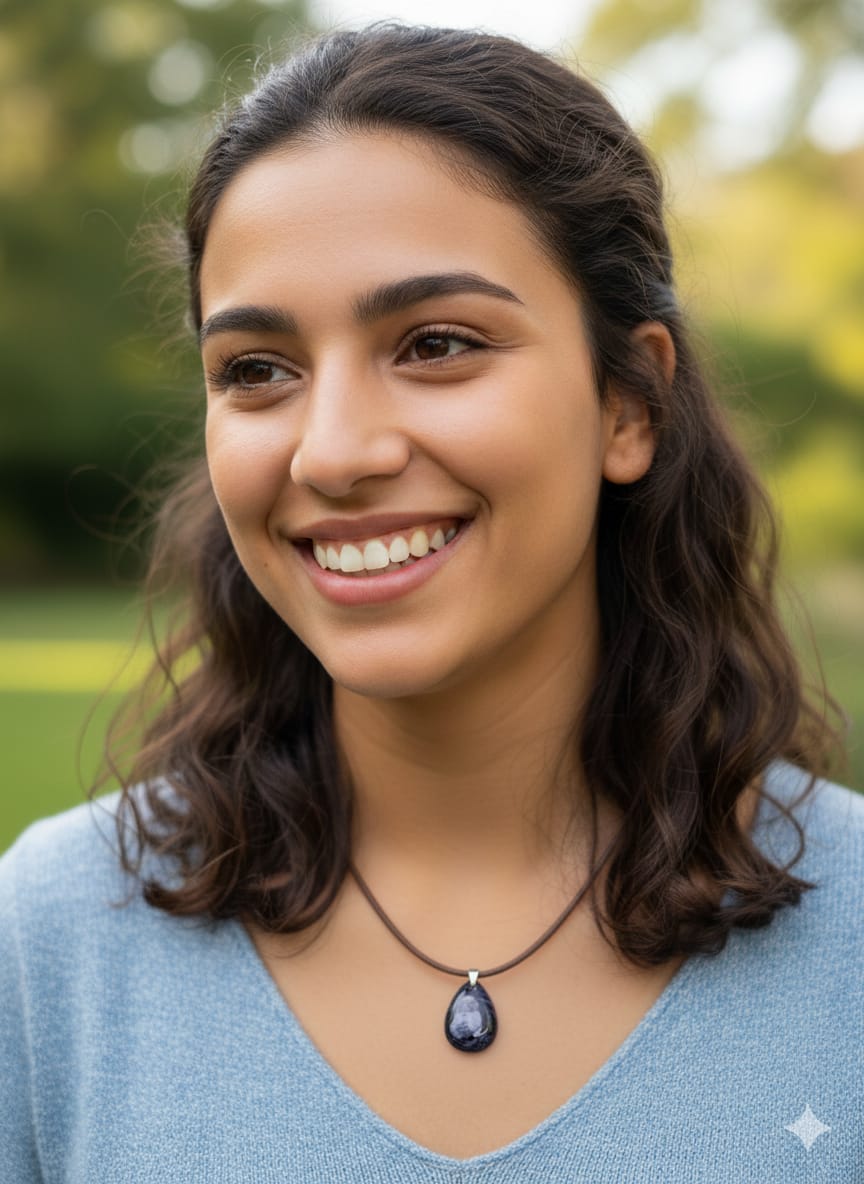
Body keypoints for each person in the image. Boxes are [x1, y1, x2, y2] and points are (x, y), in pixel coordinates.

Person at [1, 23, 861, 1182]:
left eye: (438, 343)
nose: (333, 451)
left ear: (630, 406)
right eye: (257, 369)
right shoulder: (46, 943)